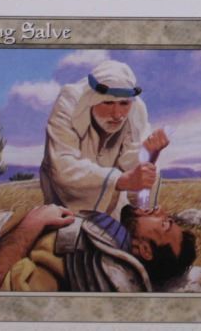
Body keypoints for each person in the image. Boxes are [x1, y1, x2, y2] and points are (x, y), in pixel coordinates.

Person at [0, 203, 199, 293]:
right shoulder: (107, 241)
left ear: (145, 250)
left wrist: (31, 225)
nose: (160, 211)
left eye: (164, 223)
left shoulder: (87, 269)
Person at [39, 60, 171, 215]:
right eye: (108, 103)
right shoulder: (69, 102)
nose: (117, 115)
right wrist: (119, 180)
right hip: (68, 193)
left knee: (123, 223)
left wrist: (147, 153)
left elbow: (133, 167)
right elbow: (62, 165)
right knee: (68, 222)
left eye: (124, 104)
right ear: (92, 98)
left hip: (113, 192)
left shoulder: (136, 110)